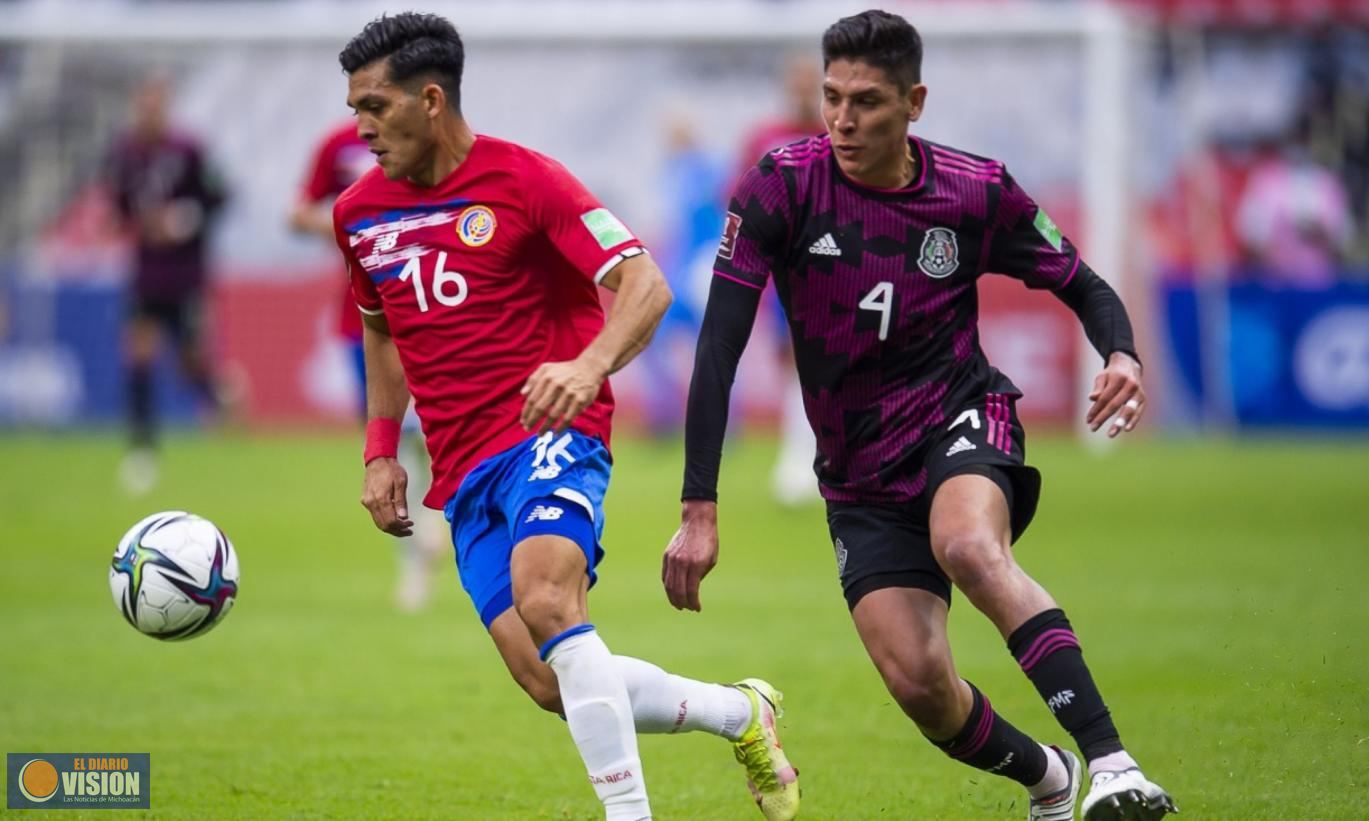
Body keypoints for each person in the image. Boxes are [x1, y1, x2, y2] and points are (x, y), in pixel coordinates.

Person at [664, 11, 1176, 821]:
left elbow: (1082, 282)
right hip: (857, 473)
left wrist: (1120, 353)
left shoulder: (974, 190)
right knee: (920, 684)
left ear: (915, 102)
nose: (841, 119)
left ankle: (1114, 764)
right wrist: (698, 506)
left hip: (958, 415)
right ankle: (1050, 776)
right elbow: (719, 347)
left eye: (865, 101)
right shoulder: (782, 184)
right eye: (832, 97)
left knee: (968, 544)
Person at [332, 14, 799, 821]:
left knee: (549, 600)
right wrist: (381, 450)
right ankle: (739, 712)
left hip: (552, 435)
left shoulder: (528, 180)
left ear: (431, 99)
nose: (360, 127)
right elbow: (381, 327)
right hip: (463, 467)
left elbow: (645, 285)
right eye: (354, 107)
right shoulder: (358, 214)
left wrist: (587, 368)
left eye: (375, 106)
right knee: (554, 680)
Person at [290, 121, 447, 611]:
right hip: (364, 319)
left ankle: (440, 515)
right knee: (390, 443)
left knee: (431, 432)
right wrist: (351, 227)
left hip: (432, 308)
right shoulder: (335, 145)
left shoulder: (432, 139)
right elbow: (297, 214)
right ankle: (413, 567)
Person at [106, 73, 229, 495]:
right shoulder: (123, 153)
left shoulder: (188, 150)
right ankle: (143, 446)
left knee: (189, 362)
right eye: (144, 102)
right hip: (146, 274)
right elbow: (118, 205)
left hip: (185, 274)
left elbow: (221, 196)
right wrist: (135, 222)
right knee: (138, 353)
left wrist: (185, 219)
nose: (149, 110)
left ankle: (224, 397)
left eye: (156, 102)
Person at [735, 53, 827, 508]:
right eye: (800, 80)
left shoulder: (836, 136)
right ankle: (797, 458)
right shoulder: (765, 137)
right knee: (795, 360)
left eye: (814, 81)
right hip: (786, 269)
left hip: (841, 267)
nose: (806, 89)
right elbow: (741, 197)